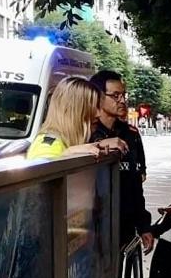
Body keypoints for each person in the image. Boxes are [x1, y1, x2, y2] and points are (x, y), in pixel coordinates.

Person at [89, 70, 153, 249]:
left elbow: (136, 185)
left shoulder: (131, 135)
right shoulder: (86, 134)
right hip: (92, 231)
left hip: (124, 230)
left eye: (123, 94)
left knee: (120, 277)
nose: (122, 100)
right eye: (115, 95)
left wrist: (143, 226)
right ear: (97, 97)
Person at [27, 76, 125, 163]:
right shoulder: (47, 146)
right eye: (92, 107)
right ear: (73, 110)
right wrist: (68, 154)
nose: (98, 114)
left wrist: (97, 146)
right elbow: (42, 174)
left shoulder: (66, 142)